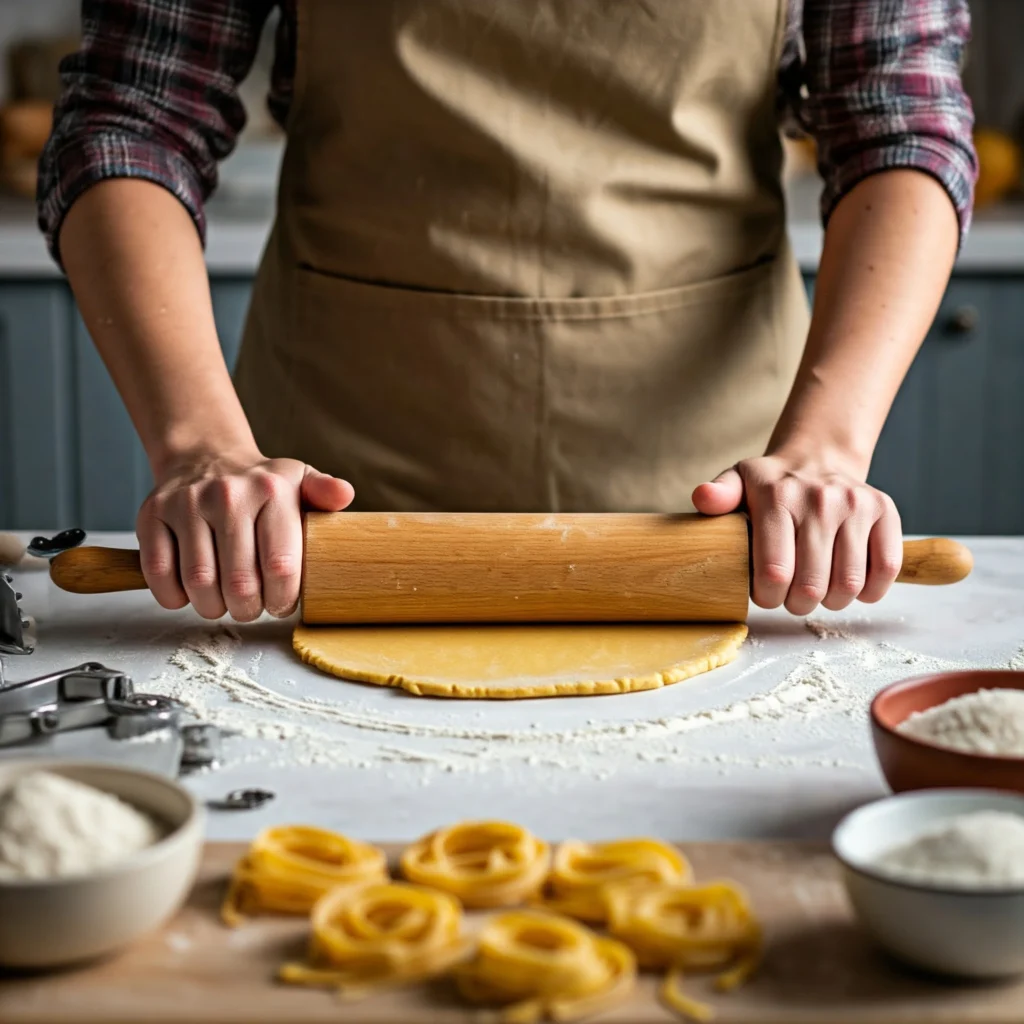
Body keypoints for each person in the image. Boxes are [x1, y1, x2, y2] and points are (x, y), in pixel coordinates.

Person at [39, 1, 976, 624]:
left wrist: (829, 449)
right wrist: (201, 446)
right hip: (323, 503)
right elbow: (135, 117)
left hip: (722, 503)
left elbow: (901, 119)